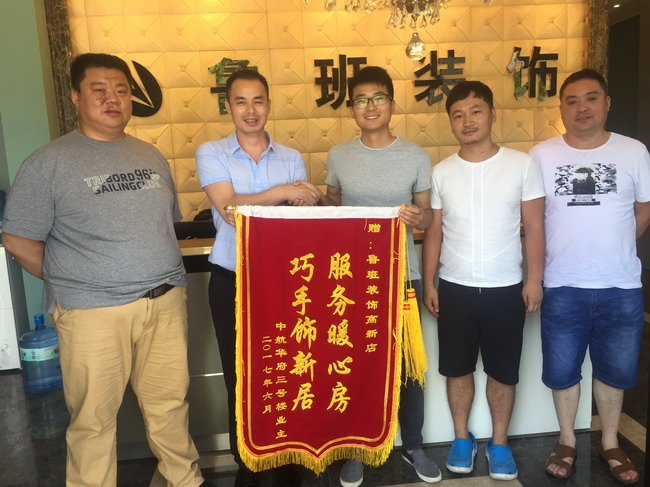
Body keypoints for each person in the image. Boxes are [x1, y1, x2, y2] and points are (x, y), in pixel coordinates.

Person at [2, 53, 211, 487]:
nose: (112, 98)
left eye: (121, 89)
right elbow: (18, 240)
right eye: (99, 89)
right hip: (92, 312)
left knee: (170, 408)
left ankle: (183, 480)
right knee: (93, 421)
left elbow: (163, 226)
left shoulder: (150, 155)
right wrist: (75, 280)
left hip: (164, 302)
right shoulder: (49, 162)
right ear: (76, 97)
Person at [195, 69, 320, 487]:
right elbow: (230, 208)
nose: (251, 110)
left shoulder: (291, 157)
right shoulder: (212, 152)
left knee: (287, 367)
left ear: (269, 104)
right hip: (232, 279)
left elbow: (299, 217)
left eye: (258, 100)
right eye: (241, 101)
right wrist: (284, 192)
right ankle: (247, 458)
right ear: (228, 106)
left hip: (286, 282)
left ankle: (288, 451)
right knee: (240, 372)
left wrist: (298, 200)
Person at [318, 66, 440, 487]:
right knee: (355, 364)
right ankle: (358, 446)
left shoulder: (415, 155)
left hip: (402, 276)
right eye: (360, 100)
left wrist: (417, 217)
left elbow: (427, 215)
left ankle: (414, 445)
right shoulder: (339, 156)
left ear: (391, 103)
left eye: (378, 98)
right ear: (352, 108)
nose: (370, 106)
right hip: (351, 279)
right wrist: (312, 200)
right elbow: (333, 206)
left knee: (407, 366)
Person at [530, 69, 650, 484]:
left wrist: (615, 244)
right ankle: (567, 440)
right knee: (562, 370)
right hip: (562, 283)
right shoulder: (541, 155)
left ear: (607, 103)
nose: (582, 107)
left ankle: (611, 442)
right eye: (572, 100)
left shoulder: (633, 151)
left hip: (620, 285)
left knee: (614, 371)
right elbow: (533, 218)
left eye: (591, 98)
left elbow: (643, 209)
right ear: (561, 108)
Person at [422, 80, 545, 481]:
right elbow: (434, 233)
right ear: (450, 122)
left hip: (506, 287)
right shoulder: (441, 172)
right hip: (454, 288)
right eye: (458, 115)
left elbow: (534, 225)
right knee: (456, 370)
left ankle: (500, 444)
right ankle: (462, 439)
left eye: (475, 111)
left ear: (492, 114)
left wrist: (534, 280)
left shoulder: (522, 164)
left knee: (502, 372)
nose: (467, 121)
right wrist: (429, 284)